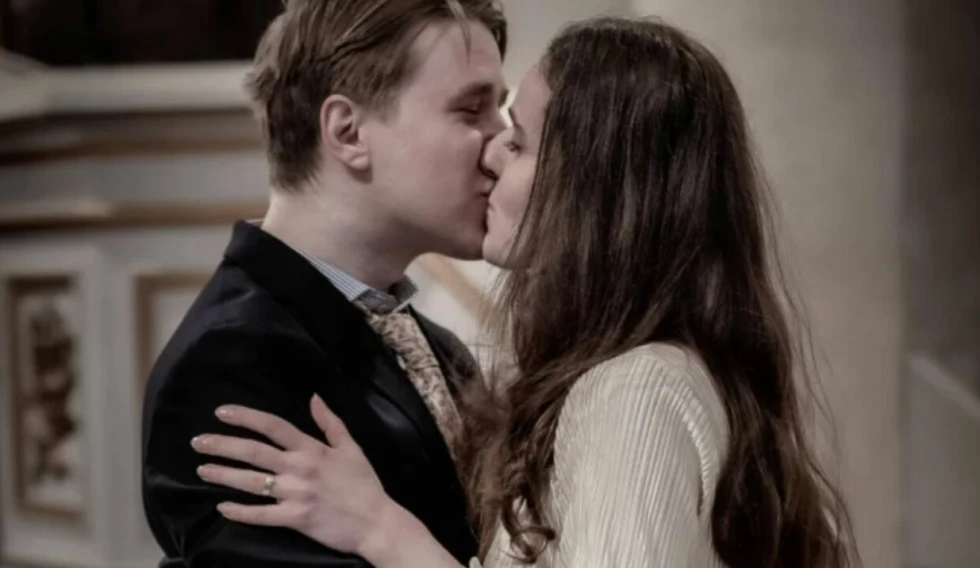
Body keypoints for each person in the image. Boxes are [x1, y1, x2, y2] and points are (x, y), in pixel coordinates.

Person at [190, 16, 859, 568]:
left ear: (592, 186)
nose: (491, 153)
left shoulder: (634, 389)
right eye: (474, 113)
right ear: (346, 132)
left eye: (518, 140)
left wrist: (384, 533)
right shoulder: (240, 355)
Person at [140, 1, 508, 566]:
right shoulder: (230, 363)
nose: (502, 146)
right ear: (348, 132)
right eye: (472, 109)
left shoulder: (440, 348)